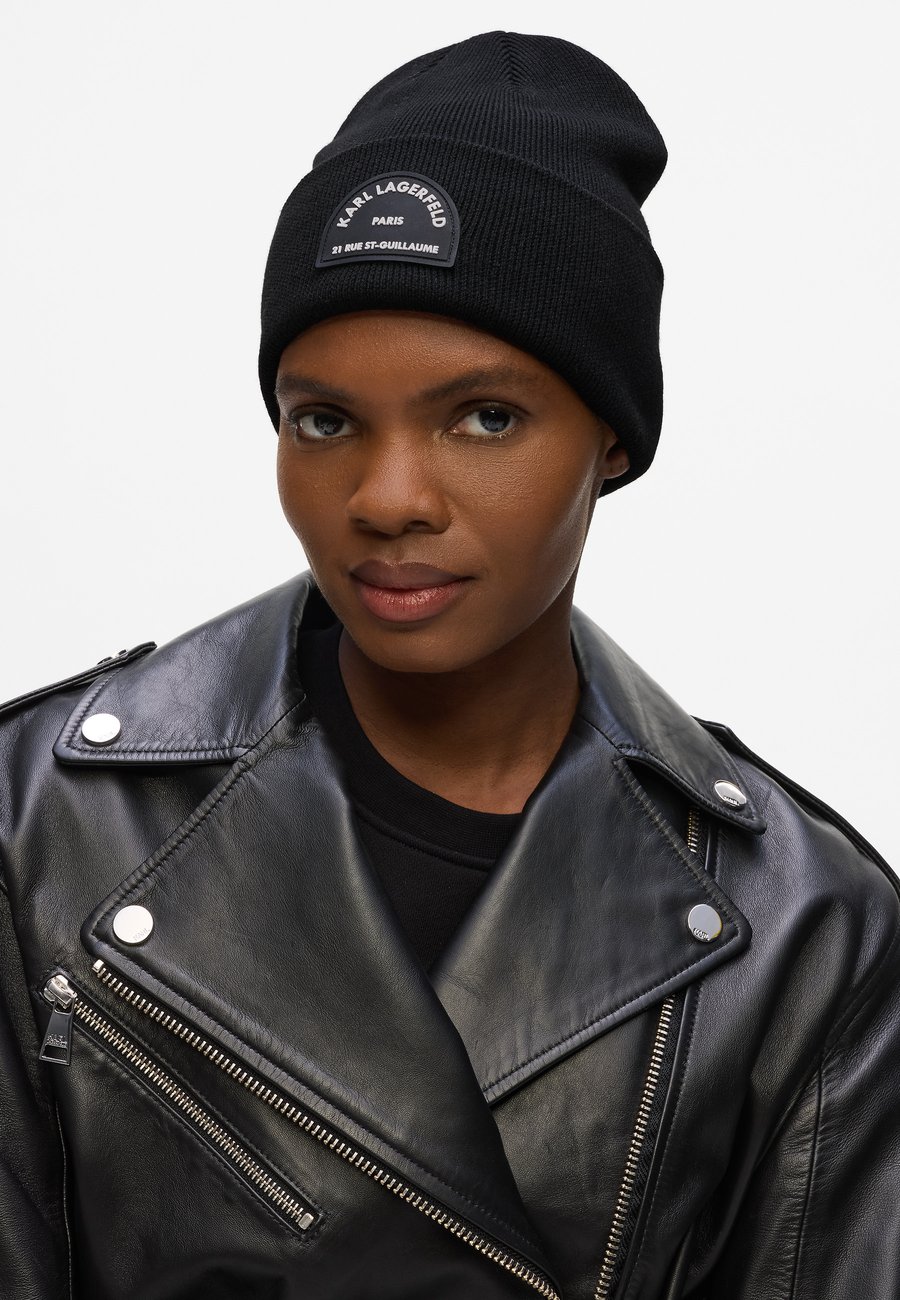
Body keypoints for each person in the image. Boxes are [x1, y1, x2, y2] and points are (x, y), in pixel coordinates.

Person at [1, 29, 898, 1300]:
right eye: (324, 420)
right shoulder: (39, 819)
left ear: (612, 438)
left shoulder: (805, 924)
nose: (387, 497)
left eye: (485, 416)